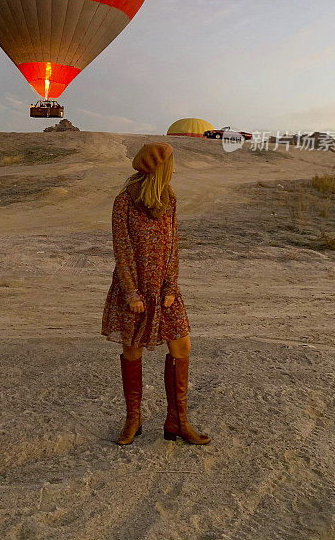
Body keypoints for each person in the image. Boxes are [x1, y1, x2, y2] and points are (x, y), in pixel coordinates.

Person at [101, 142, 211, 446]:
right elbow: (122, 249)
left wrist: (171, 286)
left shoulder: (170, 200)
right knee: (132, 349)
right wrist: (132, 292)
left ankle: (177, 421)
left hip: (165, 290)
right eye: (171, 163)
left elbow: (173, 246)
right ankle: (133, 421)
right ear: (158, 167)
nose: (174, 168)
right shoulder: (124, 202)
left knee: (182, 346)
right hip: (134, 289)